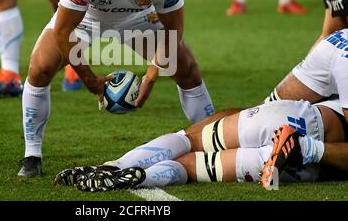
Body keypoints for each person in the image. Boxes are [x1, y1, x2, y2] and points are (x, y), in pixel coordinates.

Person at [17, 0, 215, 177]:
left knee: (187, 70)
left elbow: (174, 31)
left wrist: (151, 76)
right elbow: (63, 31)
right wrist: (88, 78)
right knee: (40, 68)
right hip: (88, 19)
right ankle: (32, 155)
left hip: (139, 19)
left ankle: (212, 143)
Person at [53, 97, 347, 191]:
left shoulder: (337, 45)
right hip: (307, 167)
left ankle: (114, 167)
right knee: (193, 168)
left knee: (190, 141)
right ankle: (142, 177)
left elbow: (288, 89)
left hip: (301, 119)